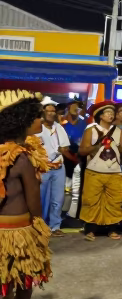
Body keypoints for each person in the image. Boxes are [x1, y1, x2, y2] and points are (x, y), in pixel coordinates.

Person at [0, 91, 50, 299]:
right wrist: (40, 229)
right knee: (20, 286)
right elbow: (34, 204)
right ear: (22, 121)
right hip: (16, 233)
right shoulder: (21, 158)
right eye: (36, 116)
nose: (40, 120)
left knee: (4, 286)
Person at [78, 102, 122, 241]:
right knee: (92, 200)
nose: (111, 115)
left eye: (112, 113)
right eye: (107, 113)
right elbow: (82, 150)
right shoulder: (91, 130)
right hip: (94, 170)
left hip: (114, 171)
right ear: (100, 116)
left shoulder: (119, 131)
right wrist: (97, 146)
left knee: (114, 201)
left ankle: (112, 229)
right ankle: (91, 229)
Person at [36, 99, 70, 237]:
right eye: (48, 110)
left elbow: (65, 146)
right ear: (42, 111)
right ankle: (41, 226)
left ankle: (55, 226)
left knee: (58, 197)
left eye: (53, 111)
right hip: (42, 166)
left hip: (58, 166)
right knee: (41, 197)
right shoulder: (37, 127)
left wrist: (62, 149)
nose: (51, 113)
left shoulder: (58, 127)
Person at [60, 99, 87, 218]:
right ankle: (62, 213)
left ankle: (76, 214)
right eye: (74, 107)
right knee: (65, 187)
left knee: (79, 187)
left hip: (80, 157)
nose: (76, 110)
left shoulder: (84, 123)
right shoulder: (62, 122)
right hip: (66, 158)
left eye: (79, 108)